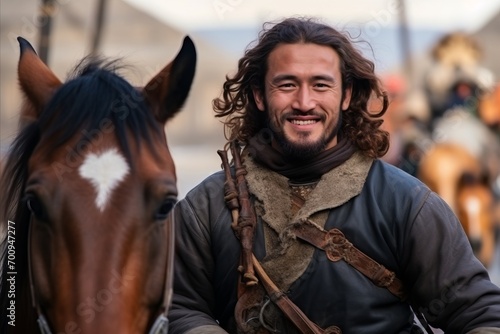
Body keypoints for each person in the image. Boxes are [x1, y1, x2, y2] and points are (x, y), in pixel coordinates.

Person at [168, 17, 500, 334]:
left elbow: (481, 315)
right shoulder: (206, 207)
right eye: (287, 84)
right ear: (259, 95)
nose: (304, 102)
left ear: (346, 96)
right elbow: (179, 306)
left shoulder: (406, 203)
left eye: (321, 84)